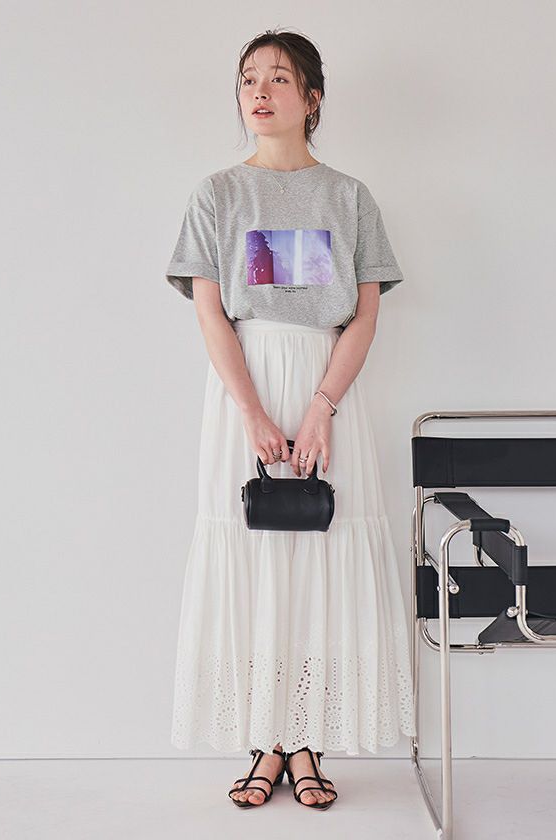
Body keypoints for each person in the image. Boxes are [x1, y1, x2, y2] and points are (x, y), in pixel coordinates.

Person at [164, 28, 415, 810]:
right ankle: (265, 741)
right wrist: (252, 411)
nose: (259, 92)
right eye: (248, 79)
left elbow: (363, 314)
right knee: (255, 554)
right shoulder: (217, 194)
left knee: (320, 554)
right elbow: (210, 312)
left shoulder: (350, 197)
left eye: (278, 78)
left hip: (325, 388)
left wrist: (320, 407)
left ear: (312, 98)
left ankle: (306, 739)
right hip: (245, 387)